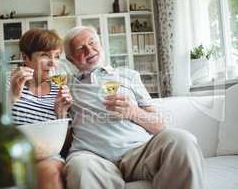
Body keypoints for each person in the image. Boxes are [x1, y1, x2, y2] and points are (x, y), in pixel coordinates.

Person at [63, 26, 205, 189]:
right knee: (80, 167)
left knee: (182, 139)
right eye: (81, 48)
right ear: (71, 59)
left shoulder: (128, 75)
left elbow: (160, 126)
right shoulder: (66, 86)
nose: (89, 50)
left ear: (100, 44)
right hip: (93, 157)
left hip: (139, 153)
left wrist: (133, 112)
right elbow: (61, 132)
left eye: (92, 42)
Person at [9, 28, 72, 189]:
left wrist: (61, 114)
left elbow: (64, 147)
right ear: (25, 57)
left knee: (50, 170)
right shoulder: (1, 82)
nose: (53, 63)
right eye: (45, 55)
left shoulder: (59, 89)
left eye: (57, 56)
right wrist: (11, 98)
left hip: (46, 158)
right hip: (8, 157)